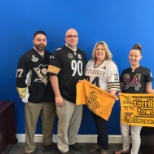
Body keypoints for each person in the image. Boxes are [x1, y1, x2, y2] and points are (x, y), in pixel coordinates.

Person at [16, 30, 57, 154]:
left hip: (49, 98)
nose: (41, 42)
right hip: (33, 99)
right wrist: (24, 96)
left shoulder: (51, 57)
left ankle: (48, 142)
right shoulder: (26, 57)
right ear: (33, 41)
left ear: (46, 42)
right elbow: (20, 78)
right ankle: (29, 148)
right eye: (38, 39)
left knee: (48, 124)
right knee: (30, 126)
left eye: (43, 40)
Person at [47, 28, 86, 154]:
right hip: (64, 95)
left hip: (79, 96)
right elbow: (53, 75)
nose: (72, 38)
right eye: (70, 36)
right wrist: (57, 95)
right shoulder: (58, 53)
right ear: (65, 38)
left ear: (78, 38)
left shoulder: (82, 53)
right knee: (63, 124)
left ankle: (72, 141)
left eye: (75, 36)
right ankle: (63, 147)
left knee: (75, 123)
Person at [114, 44, 154, 154]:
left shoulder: (146, 71)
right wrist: (119, 93)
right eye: (131, 55)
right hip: (125, 106)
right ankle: (125, 148)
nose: (133, 58)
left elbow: (149, 90)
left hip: (138, 107)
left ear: (140, 57)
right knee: (124, 132)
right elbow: (120, 88)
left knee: (135, 133)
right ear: (128, 56)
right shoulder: (124, 71)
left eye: (135, 56)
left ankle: (134, 152)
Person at [84, 41, 120, 154]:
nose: (99, 51)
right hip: (92, 99)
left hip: (103, 99)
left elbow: (113, 83)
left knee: (101, 125)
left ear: (106, 51)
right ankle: (99, 144)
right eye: (98, 49)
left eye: (102, 49)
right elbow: (86, 80)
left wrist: (111, 97)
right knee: (98, 124)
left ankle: (104, 148)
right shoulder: (89, 63)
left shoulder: (110, 64)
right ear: (95, 51)